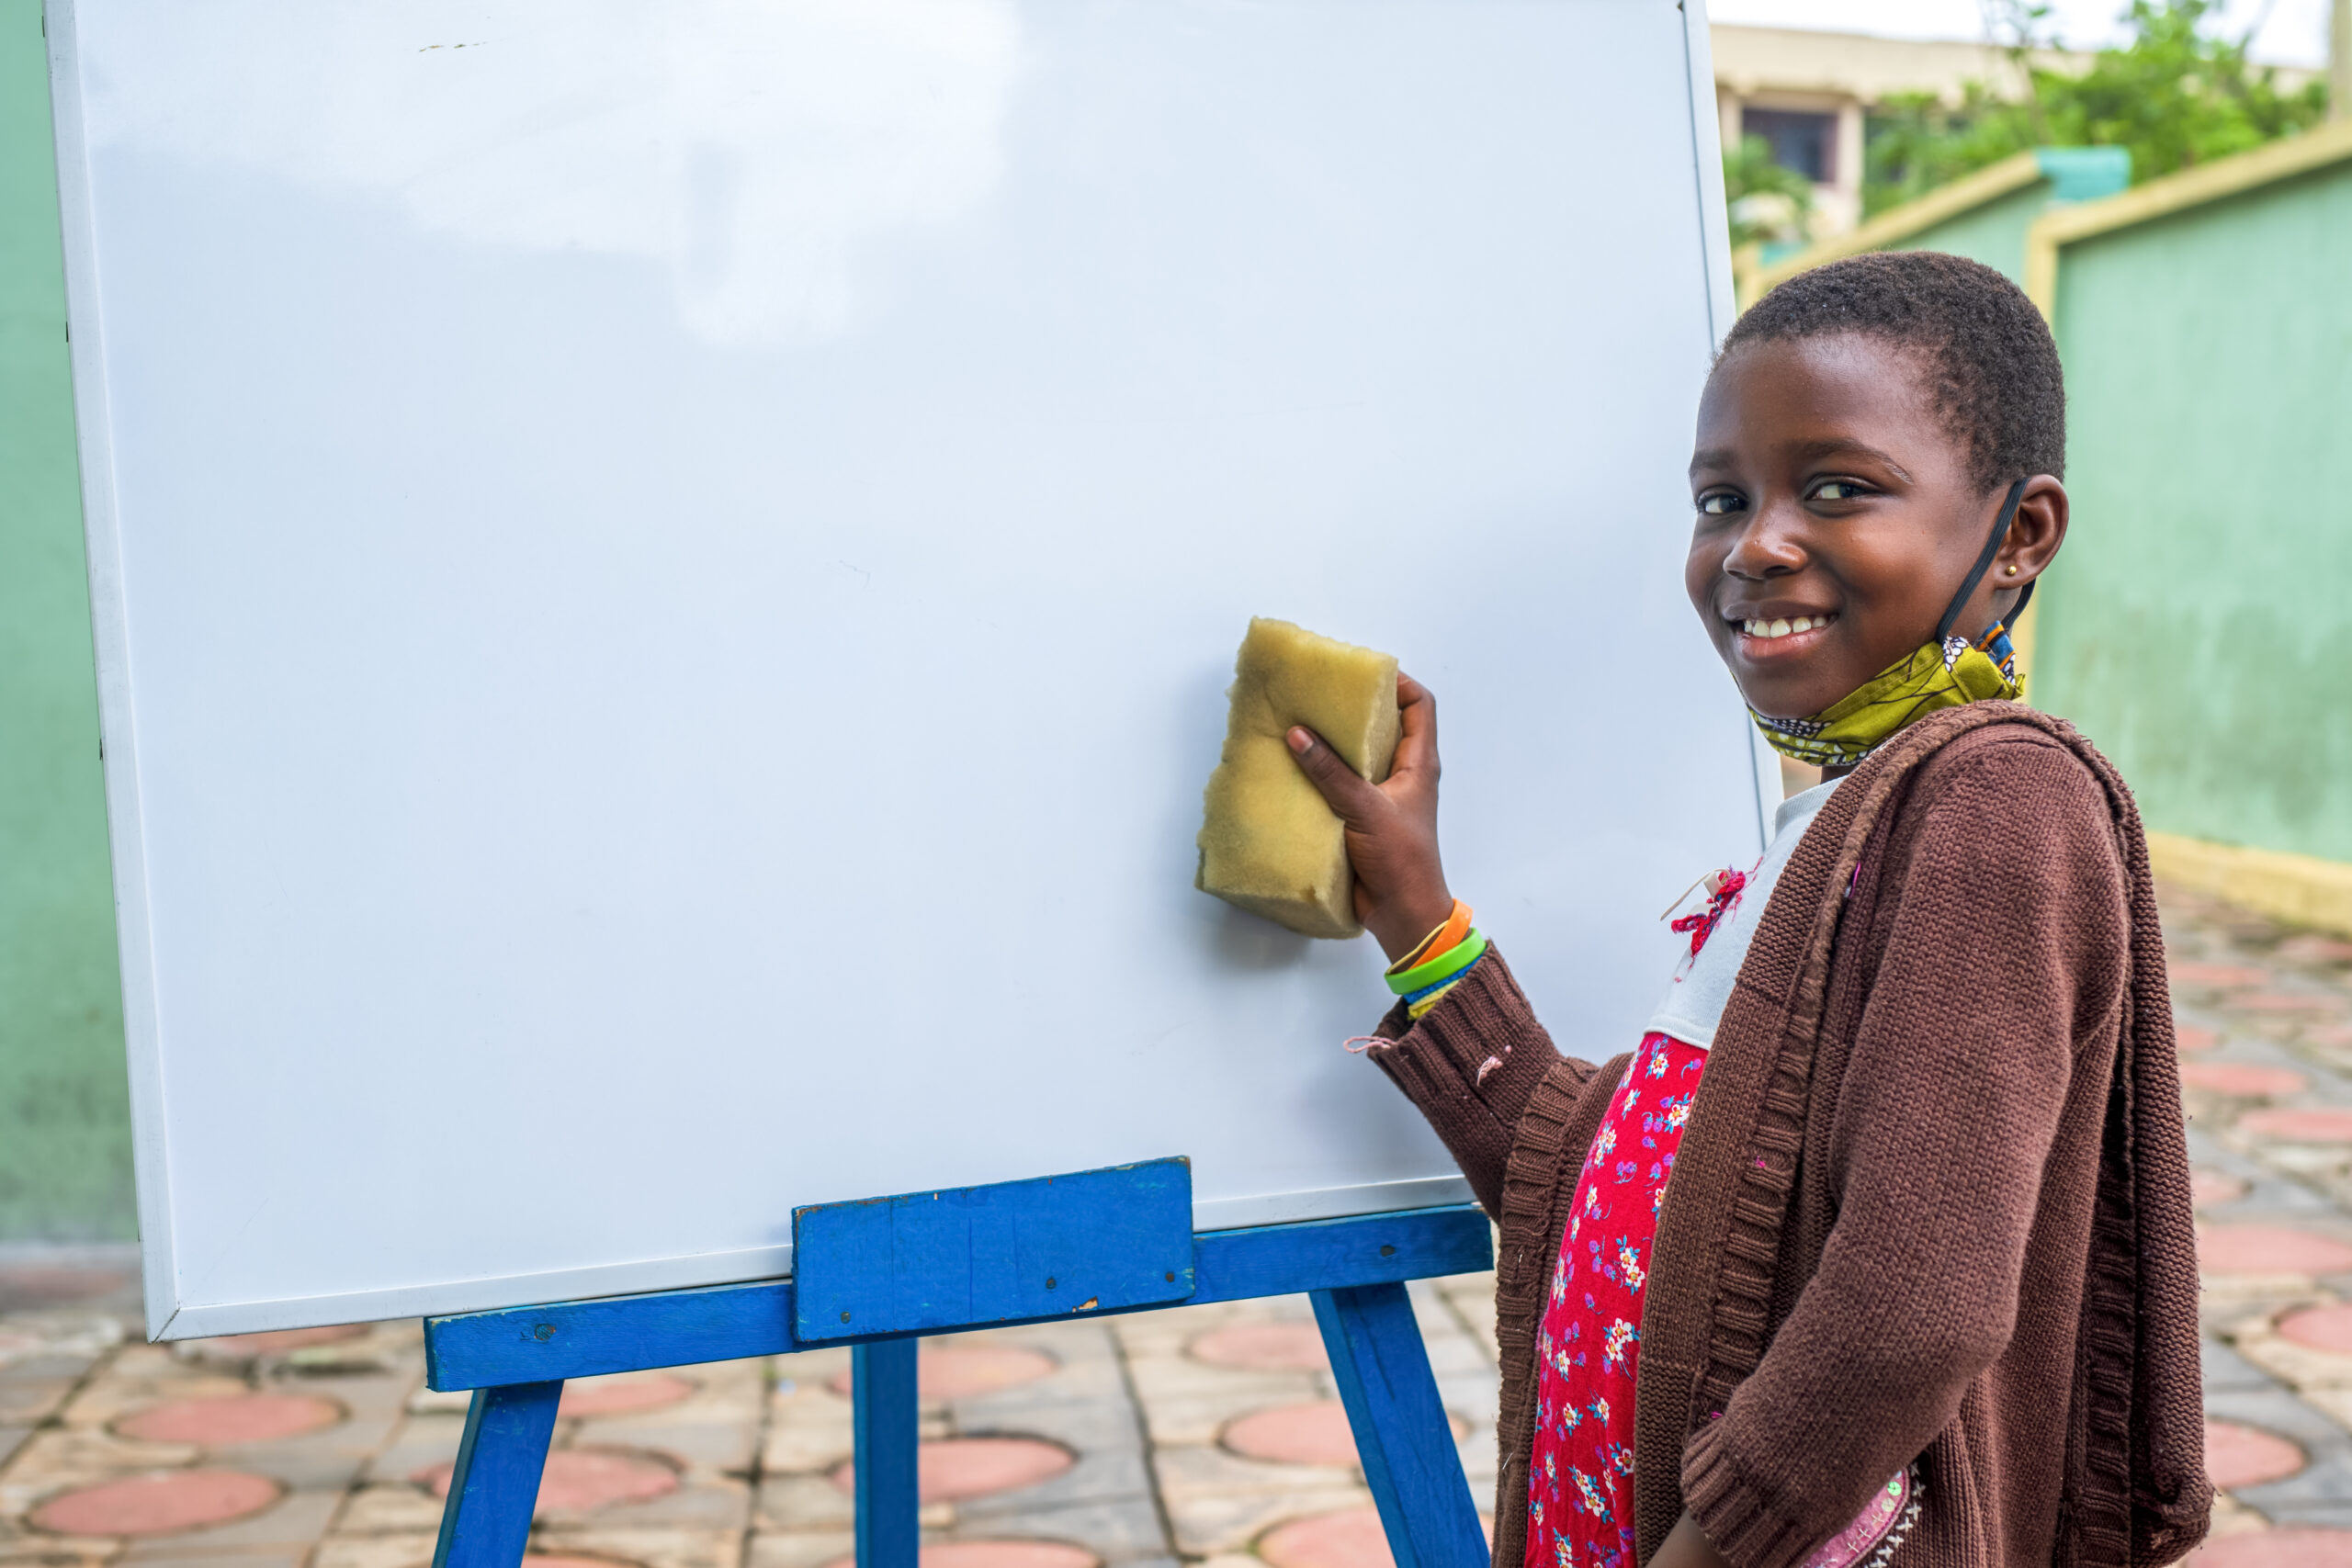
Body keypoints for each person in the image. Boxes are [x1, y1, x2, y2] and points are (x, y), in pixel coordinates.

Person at [1285, 252, 2211, 1568]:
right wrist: (1419, 919)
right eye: (1722, 498)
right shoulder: (1832, 825)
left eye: (1838, 488)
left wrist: (1708, 1549)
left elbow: (1911, 1306)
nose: (1755, 544)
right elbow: (1611, 1183)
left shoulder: (1998, 799)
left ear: (2020, 535)